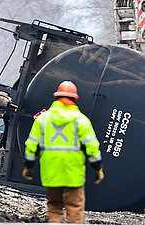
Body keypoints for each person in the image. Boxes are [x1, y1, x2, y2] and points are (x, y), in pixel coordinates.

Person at [22, 81, 104, 224]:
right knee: (74, 207)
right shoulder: (81, 120)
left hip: (51, 172)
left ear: (56, 97)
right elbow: (92, 147)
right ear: (74, 98)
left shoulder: (43, 119)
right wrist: (97, 168)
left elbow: (31, 145)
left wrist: (28, 166)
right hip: (73, 173)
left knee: (54, 207)